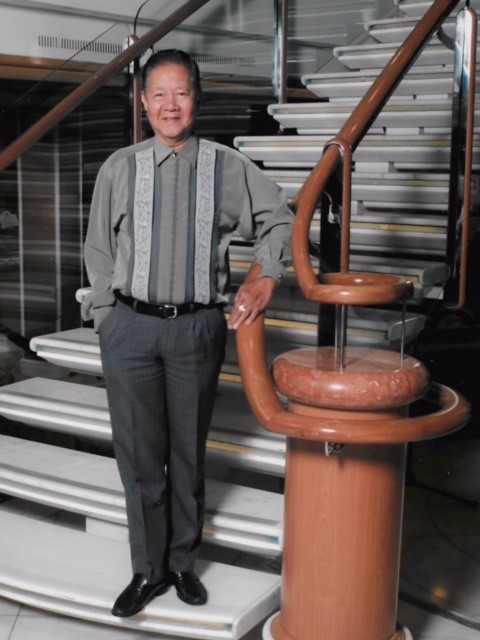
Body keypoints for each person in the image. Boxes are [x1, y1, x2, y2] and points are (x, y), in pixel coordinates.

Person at [82, 48, 292, 617]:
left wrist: (265, 276)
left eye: (180, 92)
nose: (170, 105)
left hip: (196, 329)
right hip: (129, 330)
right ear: (143, 102)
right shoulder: (119, 167)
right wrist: (106, 317)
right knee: (140, 459)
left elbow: (280, 218)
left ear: (196, 98)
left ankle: (181, 564)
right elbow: (99, 247)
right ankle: (147, 570)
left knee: (187, 456)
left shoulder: (229, 167)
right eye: (159, 94)